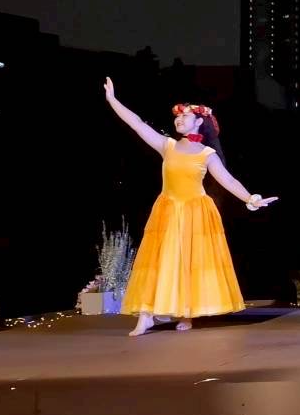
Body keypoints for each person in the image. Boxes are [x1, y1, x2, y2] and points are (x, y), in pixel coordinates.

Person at [104, 78, 276, 336]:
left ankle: (186, 313)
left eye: (185, 116)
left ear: (198, 122)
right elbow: (137, 123)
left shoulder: (207, 154)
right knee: (158, 261)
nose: (179, 120)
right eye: (178, 116)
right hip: (167, 209)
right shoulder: (168, 146)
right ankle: (146, 315)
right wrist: (113, 100)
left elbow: (228, 180)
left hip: (195, 212)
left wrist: (251, 198)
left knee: (189, 262)